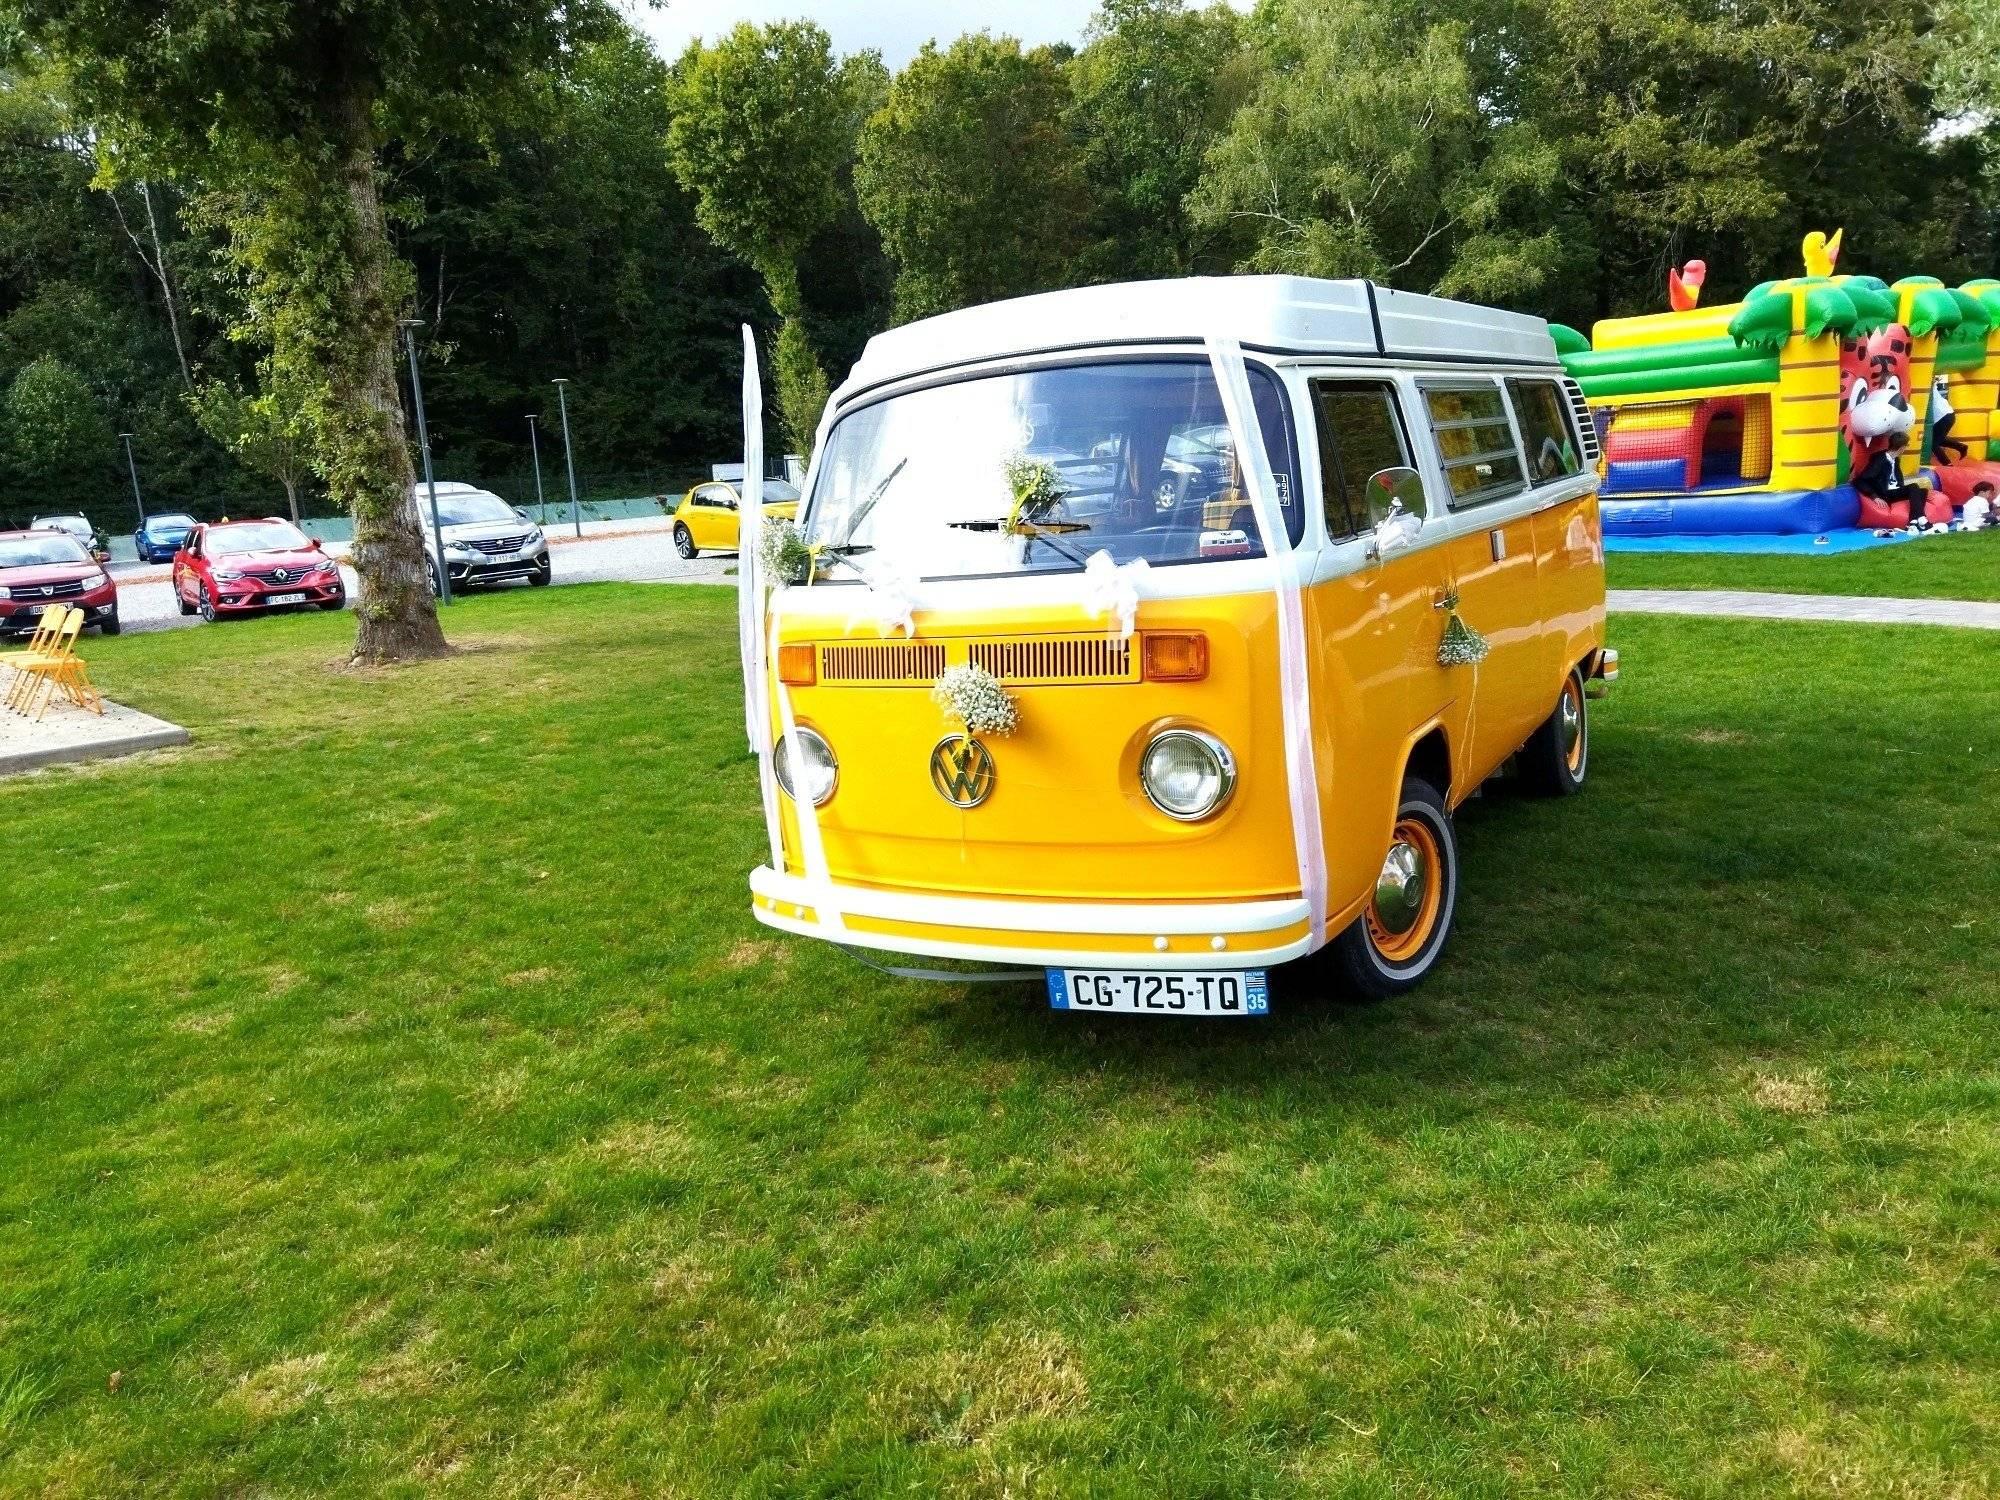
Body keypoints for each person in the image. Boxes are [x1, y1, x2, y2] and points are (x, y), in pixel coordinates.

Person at [1855, 432, 1934, 529]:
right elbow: (1860, 480)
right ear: (1901, 448)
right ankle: (1920, 518)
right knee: (1913, 487)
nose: (1905, 449)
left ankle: (1914, 521)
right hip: (1885, 494)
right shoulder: (1879, 460)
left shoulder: (1895, 459)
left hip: (1894, 491)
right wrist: (1874, 496)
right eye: (1906, 446)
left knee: (1923, 491)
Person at [1931, 376, 1968, 465]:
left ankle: (1947, 463)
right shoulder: (1932, 387)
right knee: (1938, 439)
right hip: (1949, 414)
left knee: (1933, 443)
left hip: (1943, 416)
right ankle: (1961, 447)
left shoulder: (1928, 387)